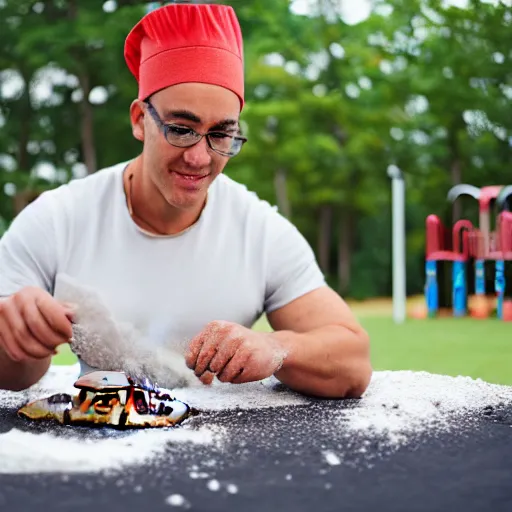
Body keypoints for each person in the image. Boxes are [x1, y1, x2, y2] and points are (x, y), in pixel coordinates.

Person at [0, 3, 371, 398]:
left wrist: (277, 347)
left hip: (222, 449)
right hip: (97, 446)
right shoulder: (58, 220)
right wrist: (18, 338)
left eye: (221, 134)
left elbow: (353, 365)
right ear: (140, 120)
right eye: (181, 129)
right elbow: (13, 376)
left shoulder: (260, 232)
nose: (199, 157)